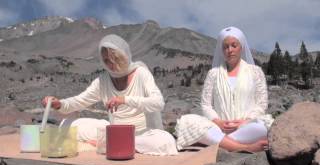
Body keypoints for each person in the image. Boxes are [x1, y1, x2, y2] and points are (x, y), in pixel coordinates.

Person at [42, 34, 178, 156]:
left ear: (125, 55)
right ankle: (114, 143)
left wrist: (125, 99)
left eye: (115, 58)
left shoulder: (140, 73)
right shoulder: (102, 81)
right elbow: (79, 101)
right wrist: (59, 104)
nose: (112, 64)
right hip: (113, 132)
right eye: (107, 60)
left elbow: (158, 103)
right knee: (70, 124)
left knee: (166, 141)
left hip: (141, 134)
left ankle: (112, 144)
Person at [175, 27, 274, 152]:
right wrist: (218, 122)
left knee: (261, 128)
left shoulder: (255, 72)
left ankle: (220, 143)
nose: (230, 50)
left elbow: (261, 103)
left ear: (241, 47)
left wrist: (245, 122)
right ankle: (243, 147)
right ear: (222, 50)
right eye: (226, 47)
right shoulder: (213, 74)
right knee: (188, 121)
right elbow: (206, 104)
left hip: (246, 127)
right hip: (218, 128)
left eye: (234, 45)